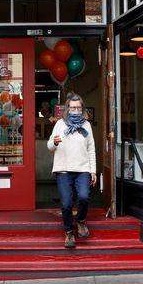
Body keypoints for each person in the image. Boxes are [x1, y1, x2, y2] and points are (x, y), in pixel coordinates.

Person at [47, 93, 97, 248]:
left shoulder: (86, 125)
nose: (75, 110)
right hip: (63, 169)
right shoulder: (60, 124)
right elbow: (50, 146)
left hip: (82, 168)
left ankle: (81, 221)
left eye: (78, 107)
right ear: (68, 108)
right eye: (72, 107)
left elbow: (91, 149)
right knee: (67, 203)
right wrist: (54, 142)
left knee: (83, 197)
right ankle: (69, 232)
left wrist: (93, 171)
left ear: (82, 108)